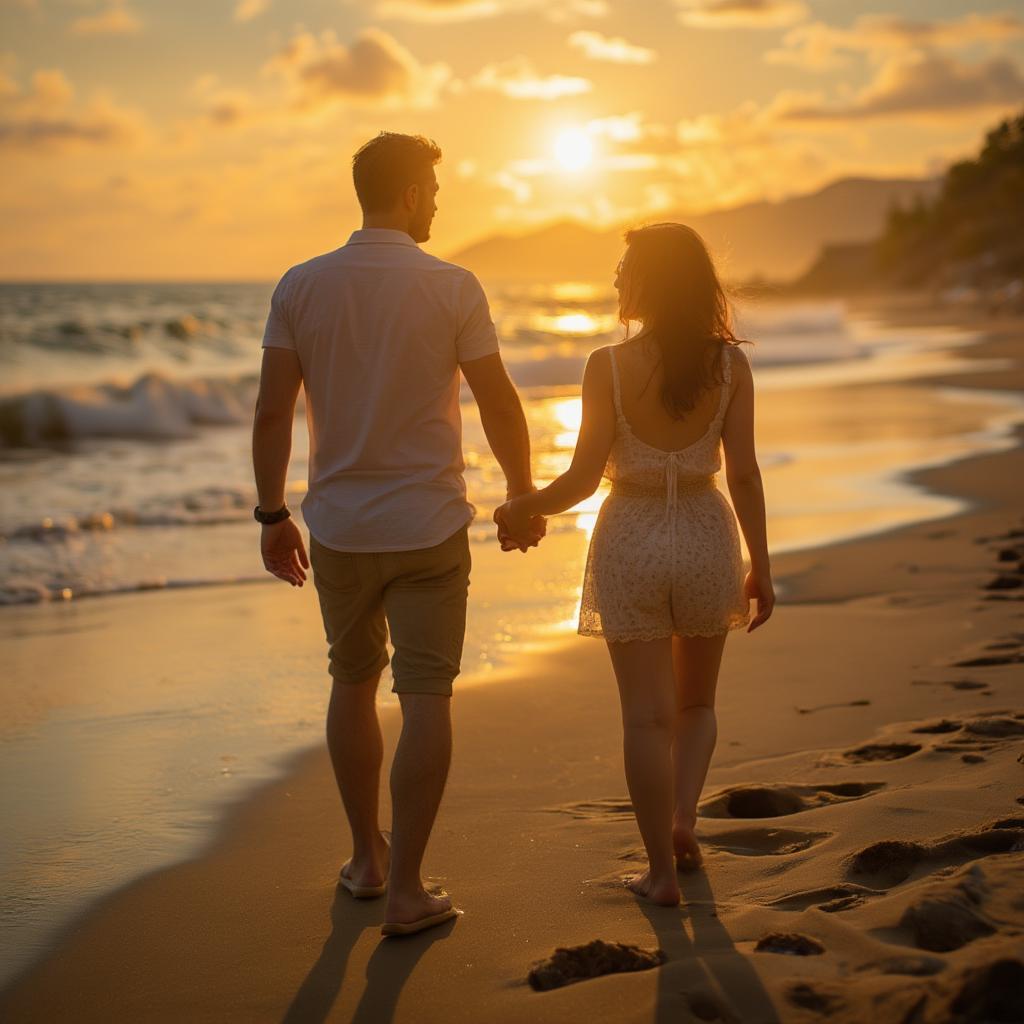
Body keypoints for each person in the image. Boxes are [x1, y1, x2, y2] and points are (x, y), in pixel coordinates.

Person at [252, 132, 544, 937]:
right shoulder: (453, 286)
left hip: (341, 528)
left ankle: (367, 861)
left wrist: (272, 513)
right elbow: (497, 399)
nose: (441, 204)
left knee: (351, 682)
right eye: (437, 190)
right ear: (412, 192)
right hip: (428, 527)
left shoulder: (301, 285)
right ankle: (410, 886)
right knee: (425, 695)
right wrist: (520, 494)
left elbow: (273, 410)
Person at [496, 223, 774, 907]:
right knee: (696, 704)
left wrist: (520, 507)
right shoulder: (731, 367)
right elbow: (745, 475)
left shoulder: (607, 367)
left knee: (646, 719)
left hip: (633, 541)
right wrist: (761, 564)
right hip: (708, 535)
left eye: (625, 268)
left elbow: (584, 480)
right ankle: (685, 818)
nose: (617, 279)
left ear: (650, 280)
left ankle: (659, 873)